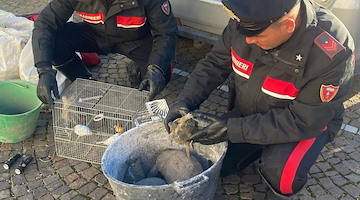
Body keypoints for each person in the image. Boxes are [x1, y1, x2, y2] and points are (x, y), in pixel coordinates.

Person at [164, 0, 355, 199]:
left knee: (282, 173)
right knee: (218, 163)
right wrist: (185, 101)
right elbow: (214, 64)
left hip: (304, 123)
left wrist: (233, 129)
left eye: (257, 36)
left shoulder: (333, 53)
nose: (247, 41)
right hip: (251, 111)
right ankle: (255, 146)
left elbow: (304, 121)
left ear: (288, 25)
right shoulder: (249, 23)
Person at [32, 0, 178, 105]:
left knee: (163, 72)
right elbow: (45, 23)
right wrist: (44, 69)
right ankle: (83, 80)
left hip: (135, 40)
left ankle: (140, 79)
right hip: (95, 35)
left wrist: (156, 68)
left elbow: (166, 33)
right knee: (57, 42)